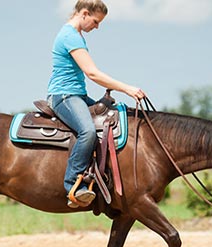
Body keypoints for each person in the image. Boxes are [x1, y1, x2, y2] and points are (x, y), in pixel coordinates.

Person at [47, 0, 147, 208]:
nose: (97, 27)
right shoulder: (70, 36)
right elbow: (92, 73)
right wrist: (127, 88)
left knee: (114, 118)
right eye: (95, 21)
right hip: (64, 96)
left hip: (78, 95)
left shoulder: (76, 36)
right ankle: (73, 185)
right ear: (84, 13)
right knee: (88, 132)